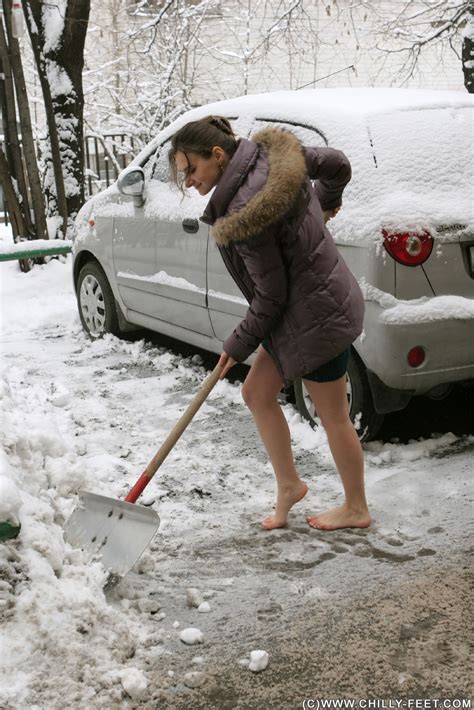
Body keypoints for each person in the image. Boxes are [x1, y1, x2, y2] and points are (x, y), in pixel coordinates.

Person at [169, 115, 370, 531]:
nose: (188, 181)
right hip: (304, 311)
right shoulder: (273, 154)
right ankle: (289, 485)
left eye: (191, 169)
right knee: (257, 392)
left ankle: (356, 508)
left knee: (334, 417)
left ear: (218, 155)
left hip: (314, 318)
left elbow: (271, 296)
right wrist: (322, 202)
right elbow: (336, 164)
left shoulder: (246, 215)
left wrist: (235, 344)